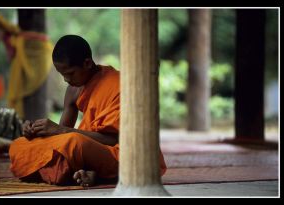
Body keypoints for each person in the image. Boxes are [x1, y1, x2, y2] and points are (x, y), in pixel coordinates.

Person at [9, 35, 167, 187]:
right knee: (19, 145)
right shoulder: (73, 90)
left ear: (87, 63)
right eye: (62, 75)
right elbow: (58, 139)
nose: (66, 80)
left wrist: (60, 130)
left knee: (73, 143)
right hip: (88, 151)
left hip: (121, 151)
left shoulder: (120, 85)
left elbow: (115, 140)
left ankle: (91, 173)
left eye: (70, 73)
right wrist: (37, 132)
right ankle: (86, 173)